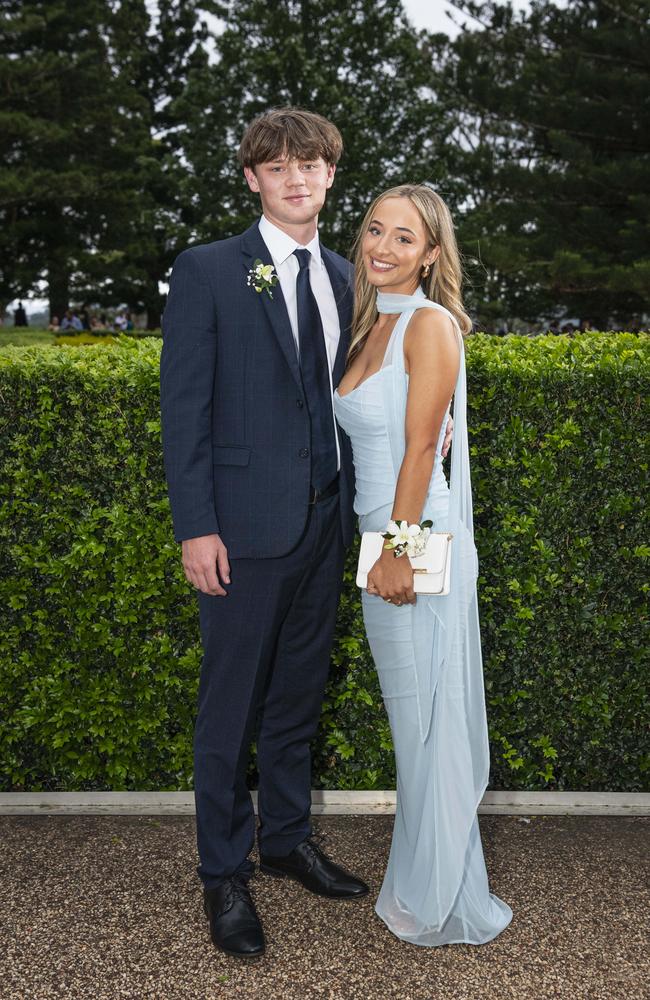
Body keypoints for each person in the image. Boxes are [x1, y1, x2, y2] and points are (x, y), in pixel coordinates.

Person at [160, 109, 451, 959]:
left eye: (312, 165)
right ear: (252, 177)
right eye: (277, 166)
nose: (295, 178)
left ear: (331, 177)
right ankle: (224, 872)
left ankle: (285, 840)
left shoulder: (346, 275)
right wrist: (196, 527)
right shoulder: (209, 269)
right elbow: (185, 413)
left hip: (330, 527)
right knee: (230, 707)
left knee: (296, 700)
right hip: (242, 534)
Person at [334, 184, 512, 946]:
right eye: (375, 229)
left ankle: (441, 898)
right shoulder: (376, 323)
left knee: (429, 722)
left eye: (404, 238)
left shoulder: (430, 325)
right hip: (381, 534)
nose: (383, 247)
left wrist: (400, 552)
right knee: (414, 722)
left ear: (432, 254)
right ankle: (425, 880)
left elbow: (418, 448)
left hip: (416, 538)